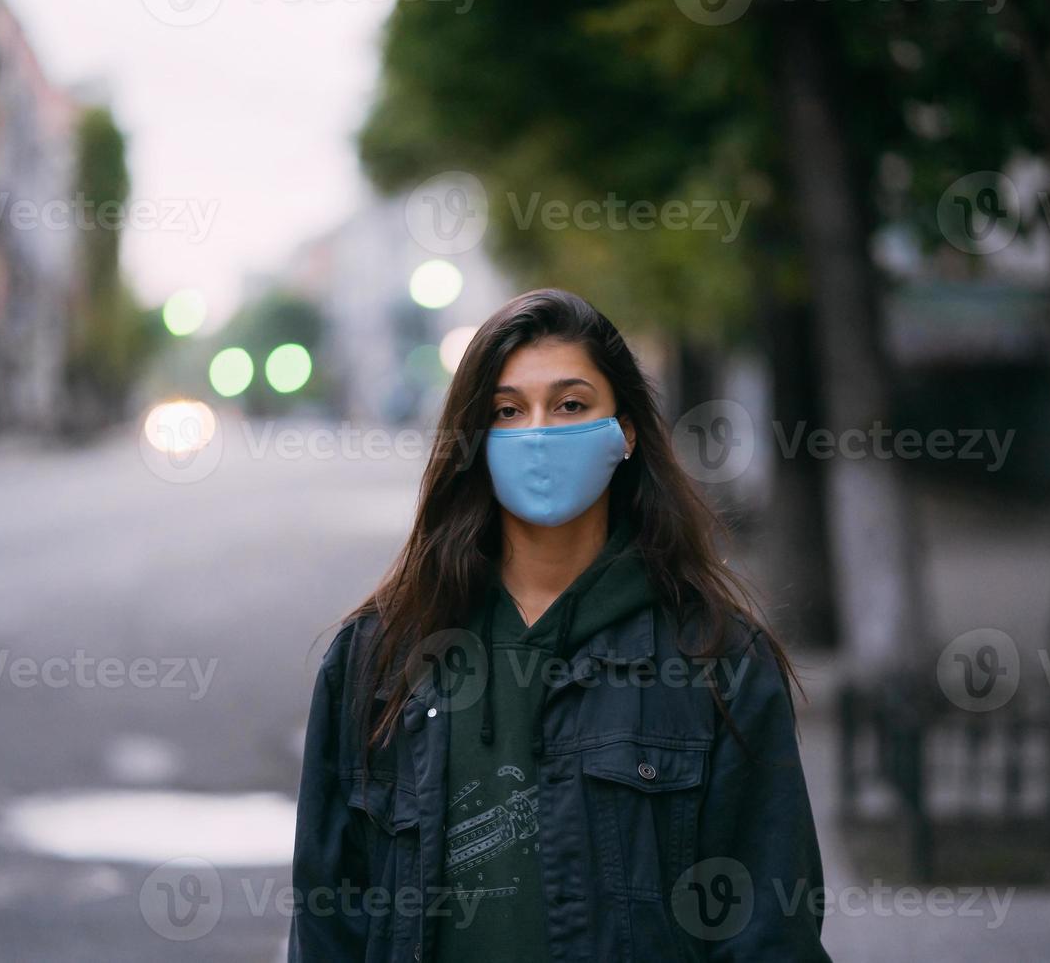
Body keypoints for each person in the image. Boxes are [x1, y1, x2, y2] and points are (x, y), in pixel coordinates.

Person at [289, 289, 830, 962]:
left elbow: (769, 933)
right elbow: (327, 925)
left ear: (626, 432)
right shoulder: (378, 657)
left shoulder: (718, 659)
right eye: (506, 412)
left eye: (570, 404)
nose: (538, 432)